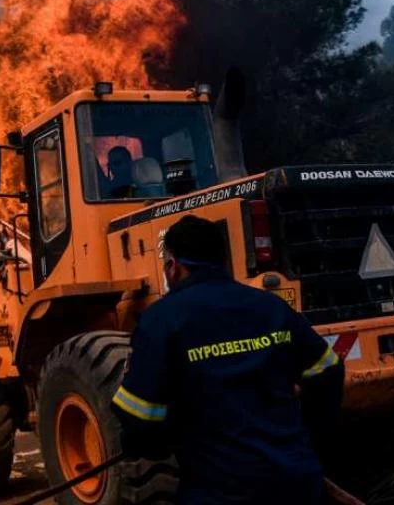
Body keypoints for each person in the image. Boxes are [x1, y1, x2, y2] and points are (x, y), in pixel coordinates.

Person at [112, 216, 344, 505]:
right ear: (223, 260)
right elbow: (329, 370)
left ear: (173, 265)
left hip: (218, 490)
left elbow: (139, 419)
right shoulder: (271, 306)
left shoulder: (160, 321)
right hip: (296, 482)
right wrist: (307, 437)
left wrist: (163, 443)